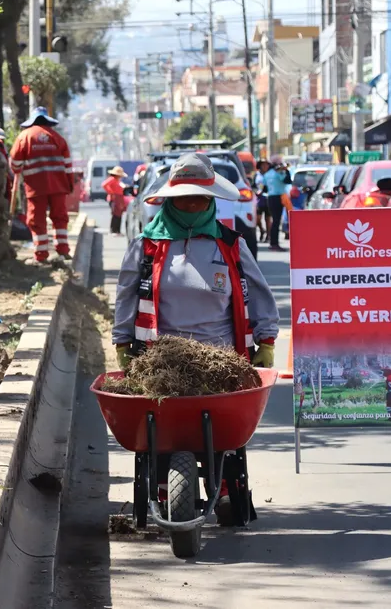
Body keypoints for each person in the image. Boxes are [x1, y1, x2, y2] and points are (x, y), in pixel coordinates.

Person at [113, 153, 280, 524]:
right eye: (184, 197)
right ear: (170, 199)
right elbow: (126, 297)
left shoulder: (230, 244)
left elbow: (260, 291)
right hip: (159, 361)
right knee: (162, 426)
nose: (191, 204)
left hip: (222, 361)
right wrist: (123, 344)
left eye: (199, 197)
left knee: (219, 428)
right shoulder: (147, 246)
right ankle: (160, 484)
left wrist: (266, 341)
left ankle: (222, 486)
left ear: (211, 200)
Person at [9, 106, 74, 262]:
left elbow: (15, 164)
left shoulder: (24, 137)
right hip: (58, 186)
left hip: (36, 187)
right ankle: (63, 251)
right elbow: (68, 166)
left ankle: (41, 255)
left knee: (37, 220)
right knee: (60, 218)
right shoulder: (58, 139)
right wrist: (69, 186)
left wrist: (22, 168)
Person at [262, 156, 288, 250]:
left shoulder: (266, 174)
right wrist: (286, 170)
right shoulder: (278, 173)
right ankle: (274, 243)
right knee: (276, 221)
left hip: (270, 198)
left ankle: (272, 242)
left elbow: (264, 188)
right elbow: (287, 180)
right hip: (278, 198)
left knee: (274, 220)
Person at [102, 165, 129, 236]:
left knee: (119, 215)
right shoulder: (112, 179)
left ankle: (117, 230)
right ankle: (113, 230)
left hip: (119, 199)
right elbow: (104, 184)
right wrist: (111, 192)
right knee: (115, 215)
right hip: (114, 199)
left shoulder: (117, 181)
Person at [254, 160, 271, 242]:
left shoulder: (270, 174)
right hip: (259, 200)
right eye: (263, 165)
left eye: (266, 165)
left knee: (268, 218)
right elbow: (252, 185)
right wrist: (255, 191)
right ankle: (262, 230)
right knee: (257, 219)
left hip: (268, 199)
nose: (265, 167)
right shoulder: (256, 175)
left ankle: (268, 235)